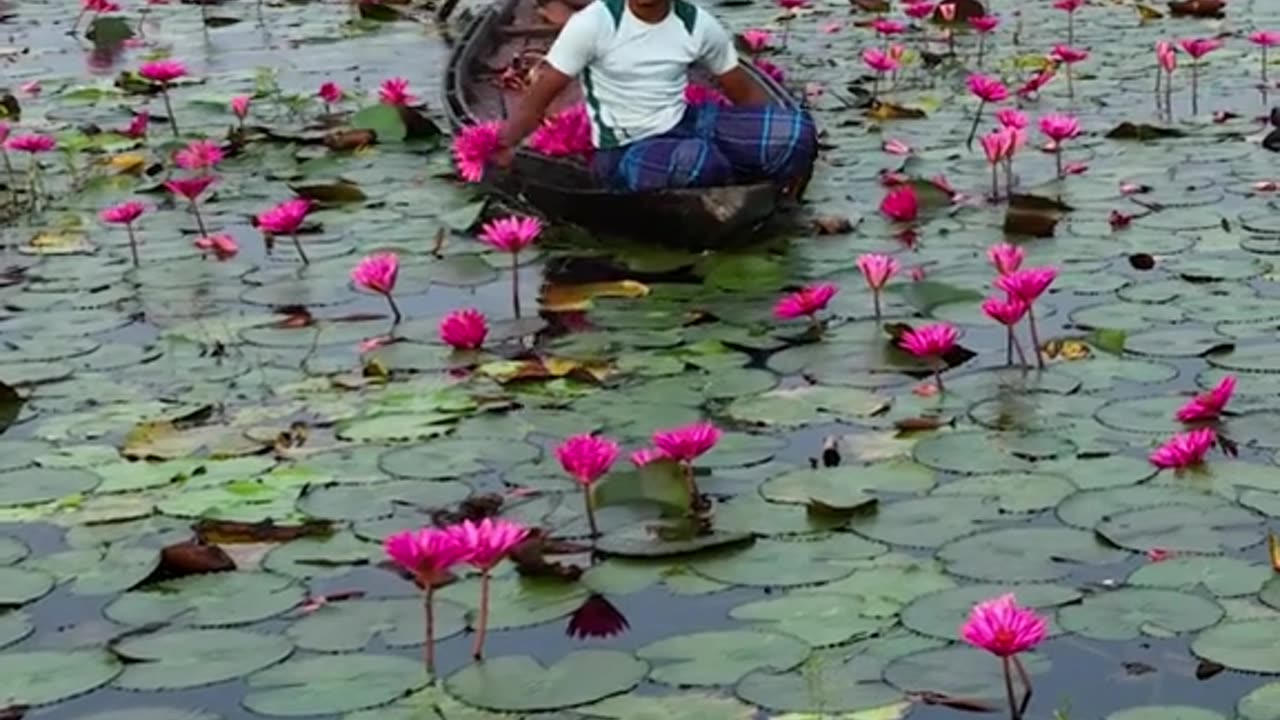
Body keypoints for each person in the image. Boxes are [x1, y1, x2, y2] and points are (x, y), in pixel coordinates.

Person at [493, 0, 817, 192]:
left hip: (685, 120)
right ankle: (719, 168)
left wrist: (781, 147)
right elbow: (541, 95)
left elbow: (742, 89)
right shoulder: (593, 23)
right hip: (624, 148)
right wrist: (504, 146)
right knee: (699, 163)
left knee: (796, 135)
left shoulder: (697, 24)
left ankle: (727, 169)